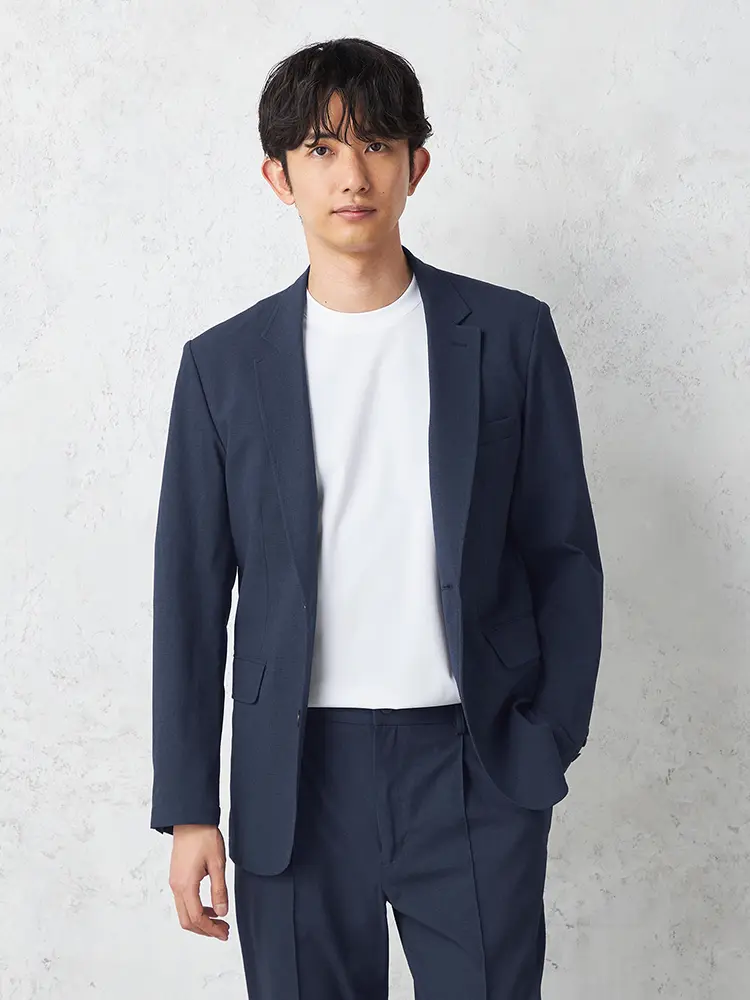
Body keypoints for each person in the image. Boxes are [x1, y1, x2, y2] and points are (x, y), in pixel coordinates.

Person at [150, 36, 604, 1000]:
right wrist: (190, 808)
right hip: (294, 776)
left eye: (378, 145)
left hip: (475, 762)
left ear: (415, 165)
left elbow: (563, 551)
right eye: (320, 149)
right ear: (278, 177)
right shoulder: (222, 367)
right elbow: (190, 596)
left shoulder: (510, 336)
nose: (352, 175)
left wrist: (548, 736)